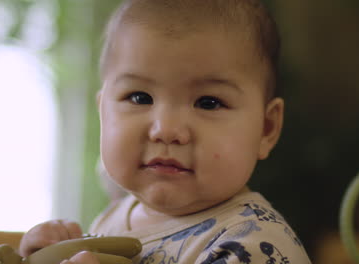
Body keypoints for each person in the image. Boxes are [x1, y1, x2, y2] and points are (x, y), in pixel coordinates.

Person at [20, 0, 312, 263]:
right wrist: (45, 256)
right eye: (139, 97)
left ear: (267, 128)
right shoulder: (115, 218)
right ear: (103, 113)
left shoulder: (251, 245)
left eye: (208, 103)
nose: (166, 130)